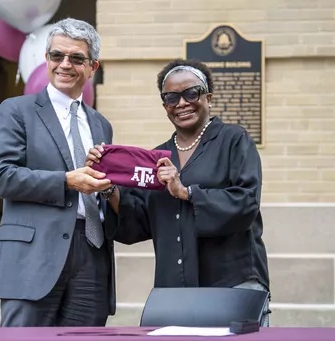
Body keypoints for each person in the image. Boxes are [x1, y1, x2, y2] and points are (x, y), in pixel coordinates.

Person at [86, 59, 271, 326]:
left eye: (191, 93)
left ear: (208, 97)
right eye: (172, 97)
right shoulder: (157, 157)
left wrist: (186, 192)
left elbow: (246, 203)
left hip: (232, 283)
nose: (182, 103)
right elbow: (138, 221)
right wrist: (109, 186)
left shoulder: (234, 140)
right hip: (175, 290)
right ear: (165, 106)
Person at [0, 18, 117, 327]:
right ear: (46, 59)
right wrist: (67, 181)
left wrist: (110, 188)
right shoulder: (16, 110)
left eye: (76, 58)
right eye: (57, 56)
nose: (65, 64)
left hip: (91, 254)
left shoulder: (101, 124)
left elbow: (102, 186)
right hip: (33, 257)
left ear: (92, 67)